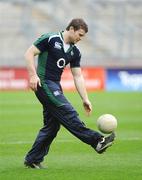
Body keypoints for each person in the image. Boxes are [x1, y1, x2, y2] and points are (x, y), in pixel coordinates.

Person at [24, 18, 115, 169]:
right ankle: (98, 141)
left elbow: (77, 76)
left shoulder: (75, 52)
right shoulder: (50, 39)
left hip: (55, 86)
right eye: (80, 34)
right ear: (71, 29)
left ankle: (33, 159)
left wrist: (85, 99)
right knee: (68, 111)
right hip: (44, 83)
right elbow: (29, 53)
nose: (80, 38)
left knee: (52, 127)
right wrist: (33, 75)